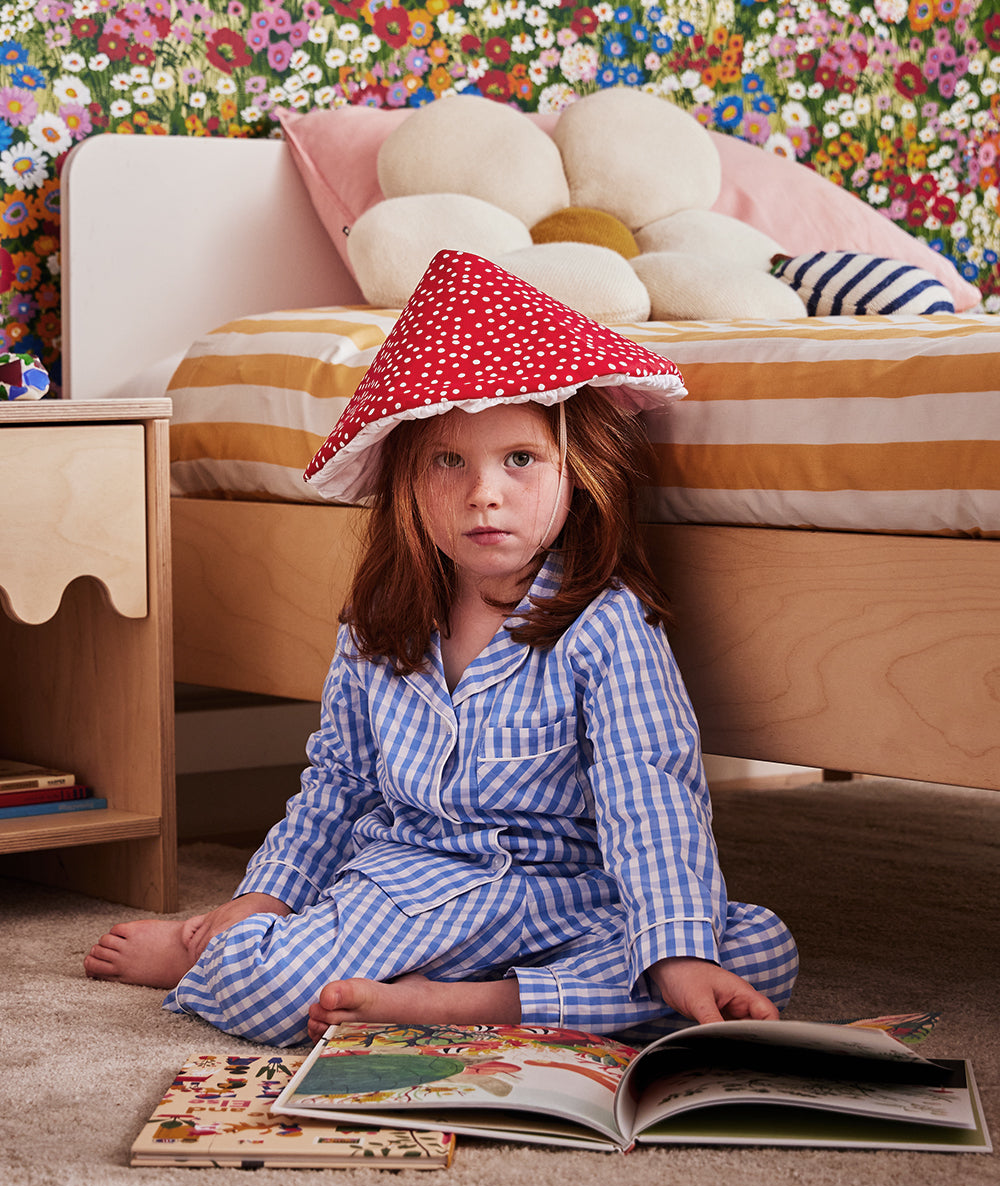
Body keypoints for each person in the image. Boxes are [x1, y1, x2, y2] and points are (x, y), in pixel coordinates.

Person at [85, 251, 797, 1047]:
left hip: (563, 898)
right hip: (410, 890)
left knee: (751, 953)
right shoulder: (377, 622)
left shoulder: (608, 623)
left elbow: (651, 795)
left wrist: (675, 949)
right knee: (260, 981)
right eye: (448, 461)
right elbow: (339, 786)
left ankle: (454, 1005)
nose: (483, 492)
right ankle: (203, 942)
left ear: (577, 473)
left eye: (520, 460)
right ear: (407, 482)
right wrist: (262, 902)